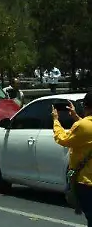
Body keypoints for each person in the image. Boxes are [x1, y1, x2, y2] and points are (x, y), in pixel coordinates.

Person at [53, 94, 92, 223]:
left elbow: (63, 139)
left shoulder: (82, 126)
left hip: (86, 182)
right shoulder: (83, 125)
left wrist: (56, 121)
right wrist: (76, 117)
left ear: (85, 106)